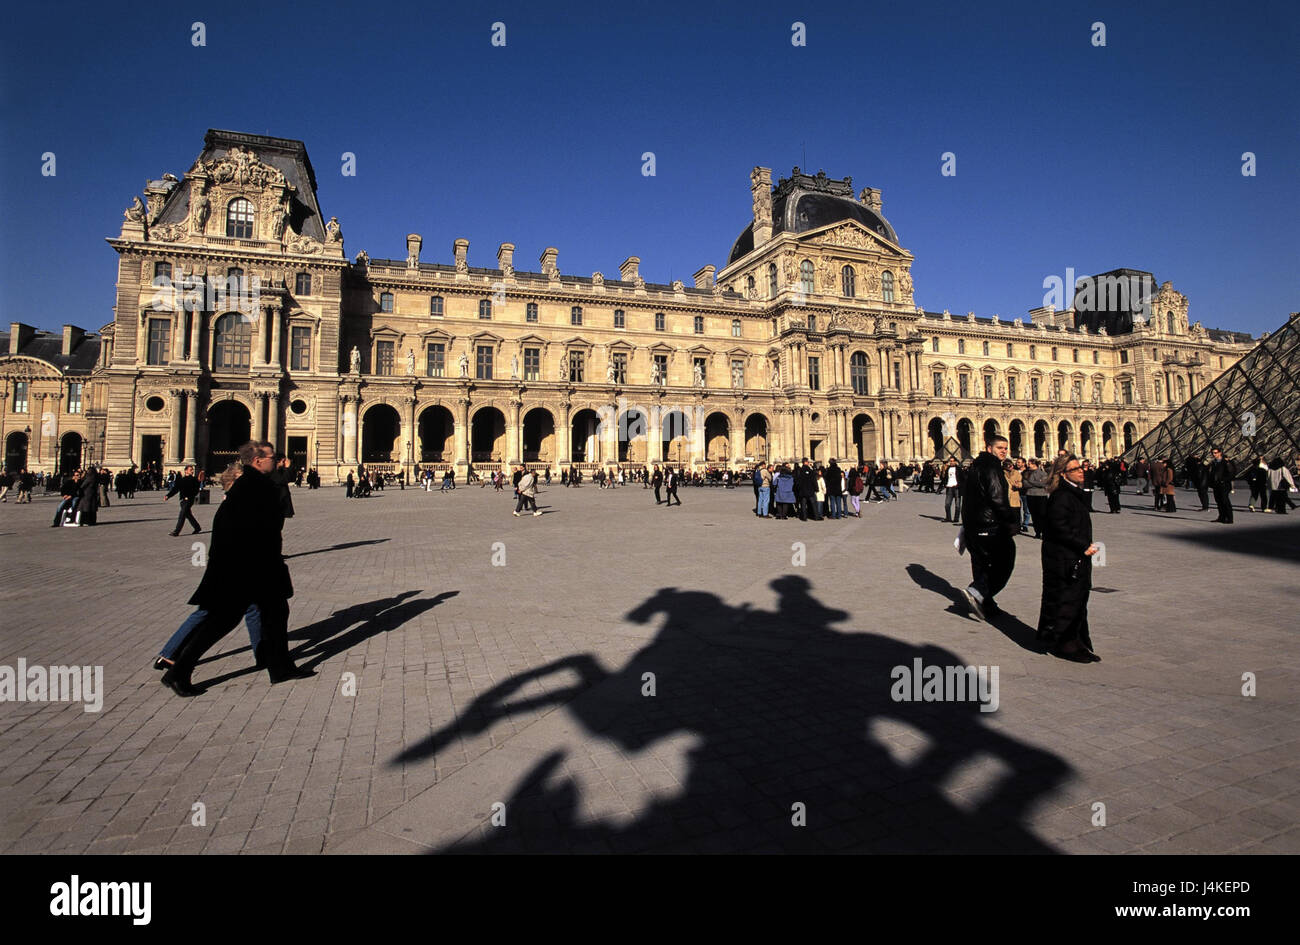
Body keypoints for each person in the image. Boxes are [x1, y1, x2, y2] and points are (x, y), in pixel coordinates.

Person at [157, 441, 312, 697]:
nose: (276, 460)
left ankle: (279, 667)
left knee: (272, 615)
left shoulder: (252, 484)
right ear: (258, 460)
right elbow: (251, 529)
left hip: (249, 565)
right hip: (249, 567)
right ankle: (179, 671)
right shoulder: (255, 487)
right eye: (272, 457)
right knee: (222, 622)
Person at [1036, 454, 1102, 663]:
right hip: (1065, 558)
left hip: (1071, 556)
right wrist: (1084, 546)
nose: (1081, 470)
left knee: (1077, 598)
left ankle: (1076, 641)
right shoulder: (1062, 496)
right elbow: (1058, 527)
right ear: (1063, 474)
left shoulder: (1072, 493)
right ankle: (1065, 643)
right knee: (1068, 600)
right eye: (1076, 469)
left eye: (1081, 467)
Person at [960, 435, 1020, 621]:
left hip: (973, 526)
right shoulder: (992, 467)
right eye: (1000, 447)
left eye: (1005, 448)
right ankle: (978, 591)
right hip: (989, 525)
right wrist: (1011, 520)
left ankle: (986, 604)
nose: (1004, 451)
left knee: (981, 565)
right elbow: (997, 499)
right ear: (989, 448)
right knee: (1006, 559)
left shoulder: (974, 467)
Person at [164, 464, 202, 536]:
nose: (192, 471)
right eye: (190, 470)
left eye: (192, 470)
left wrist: (191, 495)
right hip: (182, 501)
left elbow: (196, 491)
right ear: (186, 471)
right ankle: (197, 527)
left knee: (182, 515)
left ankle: (176, 531)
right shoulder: (181, 480)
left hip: (189, 500)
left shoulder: (194, 480)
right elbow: (175, 489)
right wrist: (168, 496)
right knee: (188, 515)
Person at [1207, 447, 1235, 523]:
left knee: (1225, 501)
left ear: (1220, 453)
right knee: (1218, 501)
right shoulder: (1213, 462)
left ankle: (1229, 518)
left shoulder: (1226, 462)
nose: (1214, 454)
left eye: (1215, 453)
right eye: (1212, 453)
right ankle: (1221, 517)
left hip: (1224, 484)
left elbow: (1231, 473)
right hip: (1216, 485)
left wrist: (1223, 480)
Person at [941, 459, 962, 523]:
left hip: (956, 488)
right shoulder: (947, 469)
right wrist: (945, 484)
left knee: (957, 505)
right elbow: (945, 478)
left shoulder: (959, 469)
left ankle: (956, 518)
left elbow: (963, 478)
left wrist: (959, 485)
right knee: (947, 504)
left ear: (955, 462)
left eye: (953, 461)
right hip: (949, 487)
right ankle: (948, 518)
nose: (951, 462)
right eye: (950, 461)